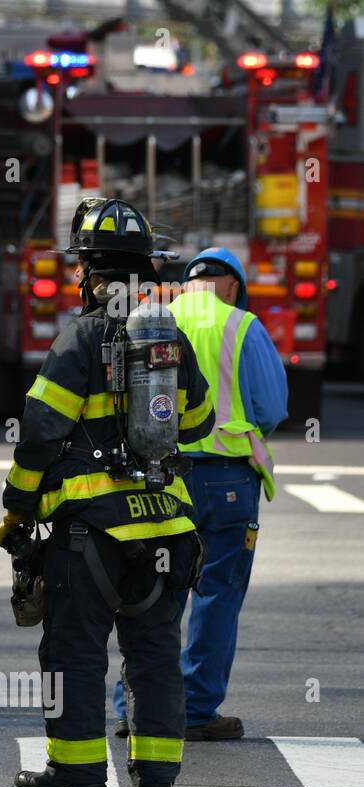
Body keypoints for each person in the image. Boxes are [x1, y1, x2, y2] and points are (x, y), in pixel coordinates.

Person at [0, 198, 215, 787]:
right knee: (154, 654)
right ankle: (158, 769)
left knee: (75, 653)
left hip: (89, 536)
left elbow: (40, 435)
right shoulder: (170, 339)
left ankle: (78, 769)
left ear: (91, 275)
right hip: (167, 531)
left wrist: (16, 510)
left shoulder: (78, 340)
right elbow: (197, 422)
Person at [113, 247, 286, 742]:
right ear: (232, 285)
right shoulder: (242, 325)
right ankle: (196, 708)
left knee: (147, 593)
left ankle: (133, 706)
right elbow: (272, 407)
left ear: (188, 283)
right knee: (216, 594)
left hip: (160, 478)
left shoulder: (149, 321)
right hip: (228, 481)